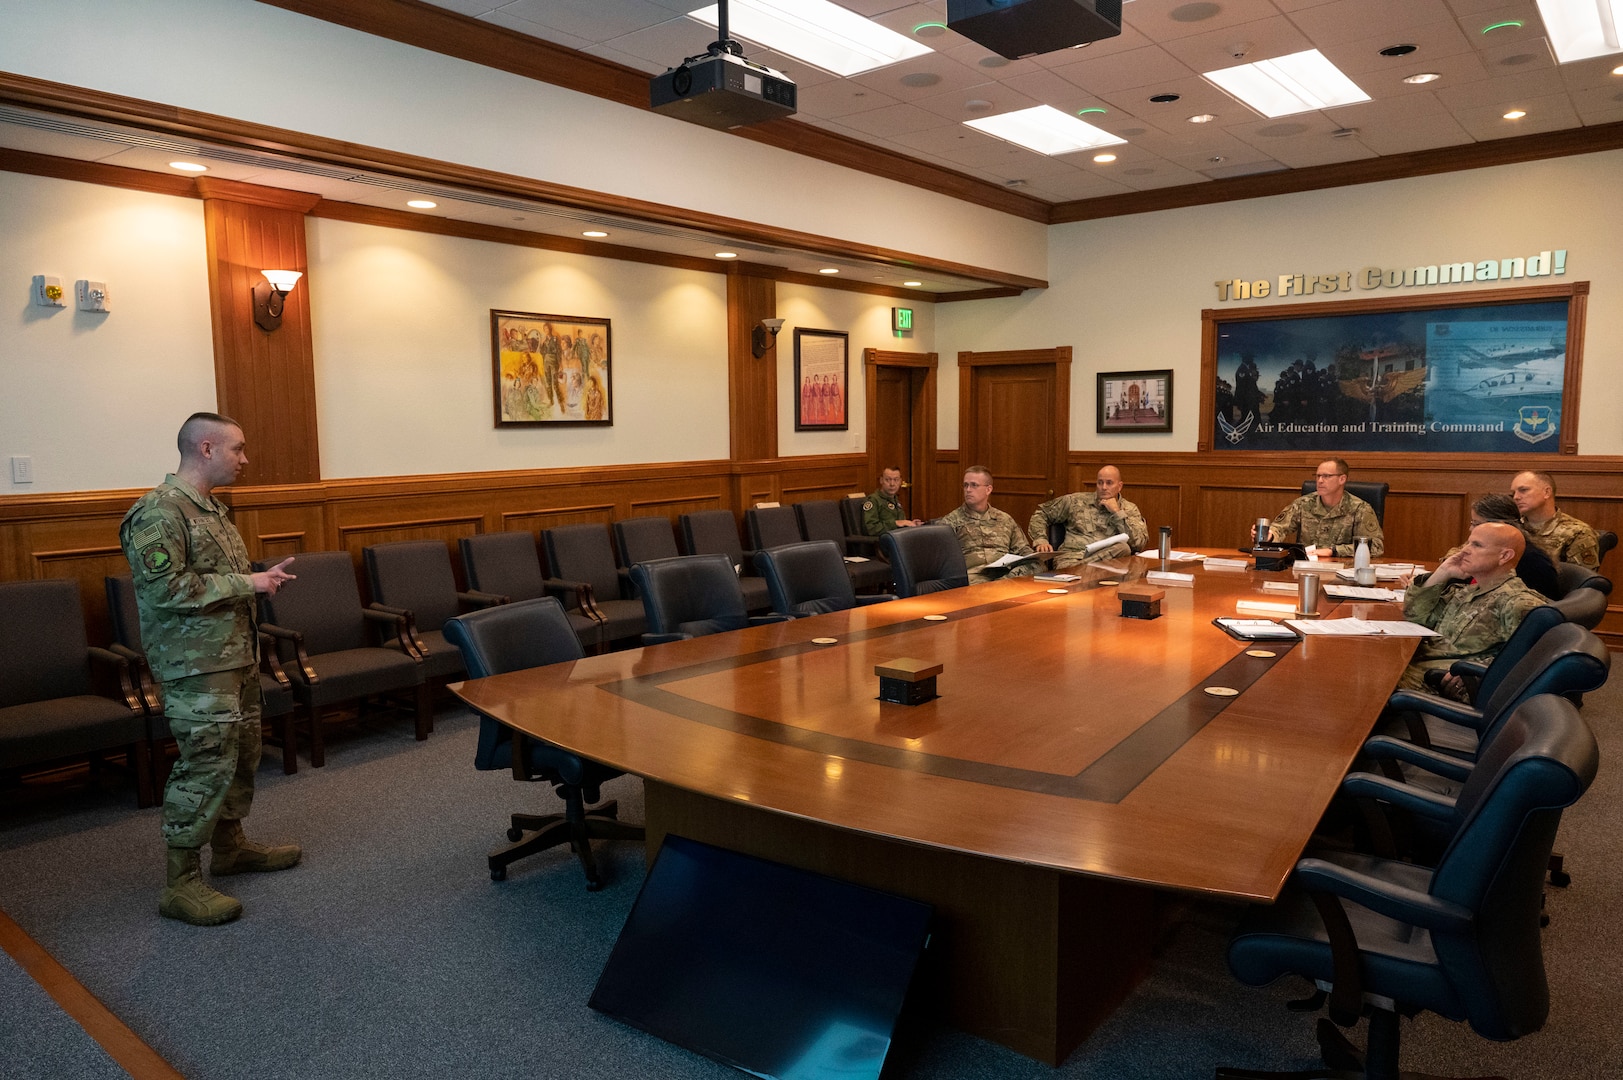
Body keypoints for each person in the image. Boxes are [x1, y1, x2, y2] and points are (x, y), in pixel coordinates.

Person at [120, 412, 300, 927]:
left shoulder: (213, 510)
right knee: (204, 763)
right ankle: (181, 883)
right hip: (194, 669)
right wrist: (252, 584)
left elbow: (216, 579)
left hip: (234, 659)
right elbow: (165, 589)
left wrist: (255, 578)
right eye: (237, 449)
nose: (245, 460)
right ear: (205, 448)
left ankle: (231, 847)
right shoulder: (157, 513)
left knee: (240, 755)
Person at [1398, 522, 1546, 696]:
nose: (1464, 551)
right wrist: (1442, 572)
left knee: (1372, 681)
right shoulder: (1467, 592)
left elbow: (1534, 658)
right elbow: (1414, 617)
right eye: (1467, 543)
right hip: (1420, 666)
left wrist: (1477, 670)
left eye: (1476, 545)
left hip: (1446, 682)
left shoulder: (1517, 601)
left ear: (1504, 556)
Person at [1028, 465, 1149, 568]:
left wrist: (1117, 512)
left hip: (1109, 565)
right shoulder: (1075, 501)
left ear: (1120, 486)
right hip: (1071, 560)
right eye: (1100, 482)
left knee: (1123, 548)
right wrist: (1040, 540)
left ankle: (1082, 570)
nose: (1104, 487)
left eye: (1109, 483)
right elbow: (1041, 513)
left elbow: (1138, 544)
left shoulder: (1129, 509)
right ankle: (1081, 571)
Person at [1264, 457, 1384, 558]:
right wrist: (1269, 535)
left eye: (1326, 476)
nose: (1320, 481)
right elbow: (1279, 528)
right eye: (1318, 476)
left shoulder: (1360, 509)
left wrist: (1334, 551)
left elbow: (1375, 546)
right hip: (1306, 568)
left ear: (1342, 479)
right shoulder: (1303, 504)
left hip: (1343, 571)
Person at [939, 467, 1035, 584]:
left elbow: (1023, 550)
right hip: (974, 578)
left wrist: (1033, 559)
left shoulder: (1004, 519)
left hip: (1006, 574)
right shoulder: (950, 523)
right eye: (965, 485)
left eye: (974, 485)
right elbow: (942, 563)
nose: (968, 490)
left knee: (1036, 566)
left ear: (988, 489)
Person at [1459, 492, 1559, 599]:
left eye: (1476, 524)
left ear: (1500, 525)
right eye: (1471, 523)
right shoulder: (1486, 550)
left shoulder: (1532, 561)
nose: (1471, 529)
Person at [1511, 470, 1600, 570]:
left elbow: (1581, 579)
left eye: (1523, 490)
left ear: (1546, 492)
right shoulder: (1512, 528)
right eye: (1513, 492)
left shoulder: (1577, 532)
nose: (1516, 497)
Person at [863, 467, 921, 535]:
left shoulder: (895, 499)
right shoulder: (873, 500)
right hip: (884, 542)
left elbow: (900, 523)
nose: (892, 484)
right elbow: (870, 528)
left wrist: (910, 524)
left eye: (896, 480)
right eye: (888, 480)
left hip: (899, 538)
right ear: (881, 480)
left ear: (900, 481)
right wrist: (895, 523)